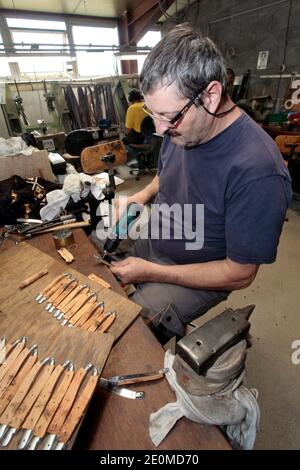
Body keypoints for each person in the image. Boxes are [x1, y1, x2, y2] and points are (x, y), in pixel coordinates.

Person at [110, 24, 292, 344]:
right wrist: (141, 195)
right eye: (153, 114)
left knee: (123, 334)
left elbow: (239, 274)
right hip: (158, 239)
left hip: (195, 275)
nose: (161, 129)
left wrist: (150, 272)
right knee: (93, 256)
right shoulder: (182, 127)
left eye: (168, 117)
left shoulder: (258, 172)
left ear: (210, 95)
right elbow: (166, 173)